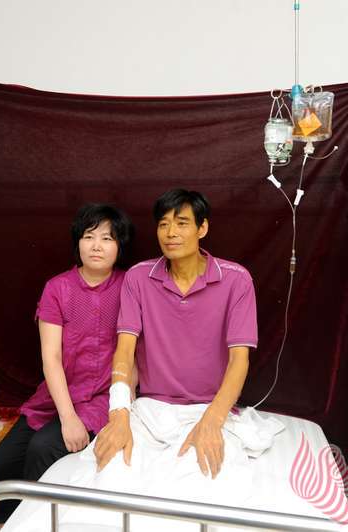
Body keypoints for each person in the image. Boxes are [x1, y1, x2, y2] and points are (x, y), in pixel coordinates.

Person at [93, 189, 258, 479]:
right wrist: (118, 413)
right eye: (163, 224)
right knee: (111, 469)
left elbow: (239, 360)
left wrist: (212, 421)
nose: (171, 233)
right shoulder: (138, 277)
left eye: (182, 223)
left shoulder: (237, 279)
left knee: (202, 476)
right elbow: (125, 351)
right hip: (150, 410)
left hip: (210, 408)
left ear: (202, 228)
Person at [0, 203, 134, 524]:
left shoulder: (129, 286)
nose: (96, 246)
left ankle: (35, 524)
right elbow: (51, 357)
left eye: (107, 238)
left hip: (101, 398)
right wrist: (68, 418)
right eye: (89, 236)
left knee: (43, 448)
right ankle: (6, 525)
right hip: (55, 398)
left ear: (119, 245)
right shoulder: (58, 288)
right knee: (0, 464)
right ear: (77, 242)